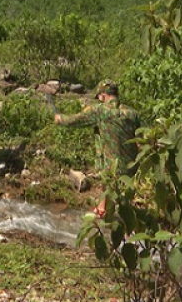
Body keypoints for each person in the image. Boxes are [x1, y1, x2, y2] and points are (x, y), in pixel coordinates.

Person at [54, 79, 140, 218]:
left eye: (99, 97)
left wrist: (59, 118)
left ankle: (104, 213)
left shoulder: (99, 111)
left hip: (111, 168)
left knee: (107, 183)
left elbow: (74, 120)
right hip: (132, 167)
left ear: (103, 95)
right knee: (125, 197)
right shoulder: (132, 113)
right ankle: (112, 212)